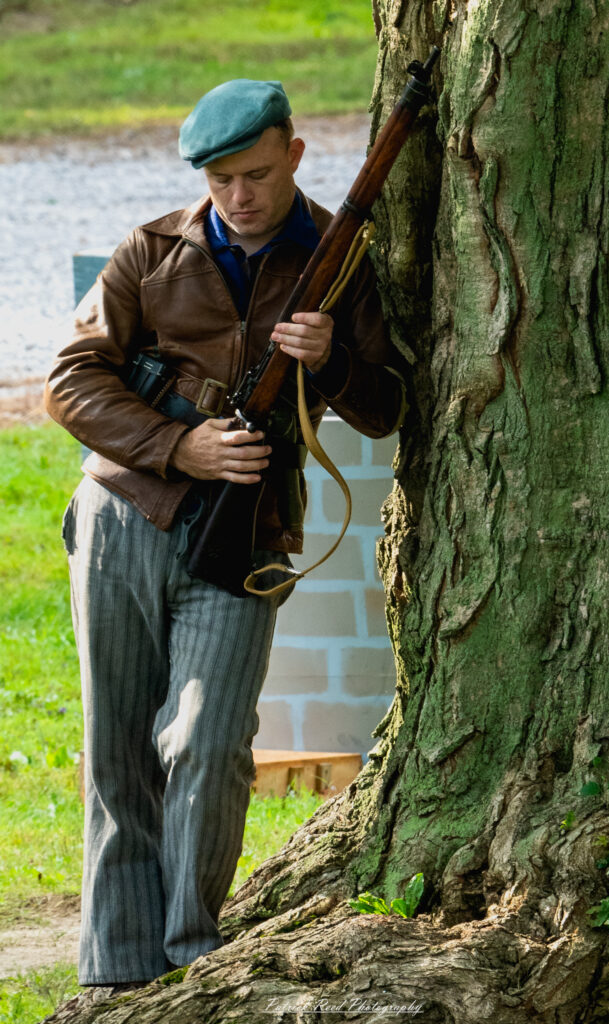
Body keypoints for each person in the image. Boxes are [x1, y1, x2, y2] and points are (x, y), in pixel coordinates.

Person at [45, 78, 405, 995]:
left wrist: (333, 361)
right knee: (118, 740)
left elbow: (387, 406)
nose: (237, 197)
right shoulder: (149, 250)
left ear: (292, 151)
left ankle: (186, 954)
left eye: (253, 173)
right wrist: (181, 445)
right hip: (126, 512)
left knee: (207, 739)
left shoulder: (344, 256)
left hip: (246, 535)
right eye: (218, 179)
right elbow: (72, 384)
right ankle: (115, 968)